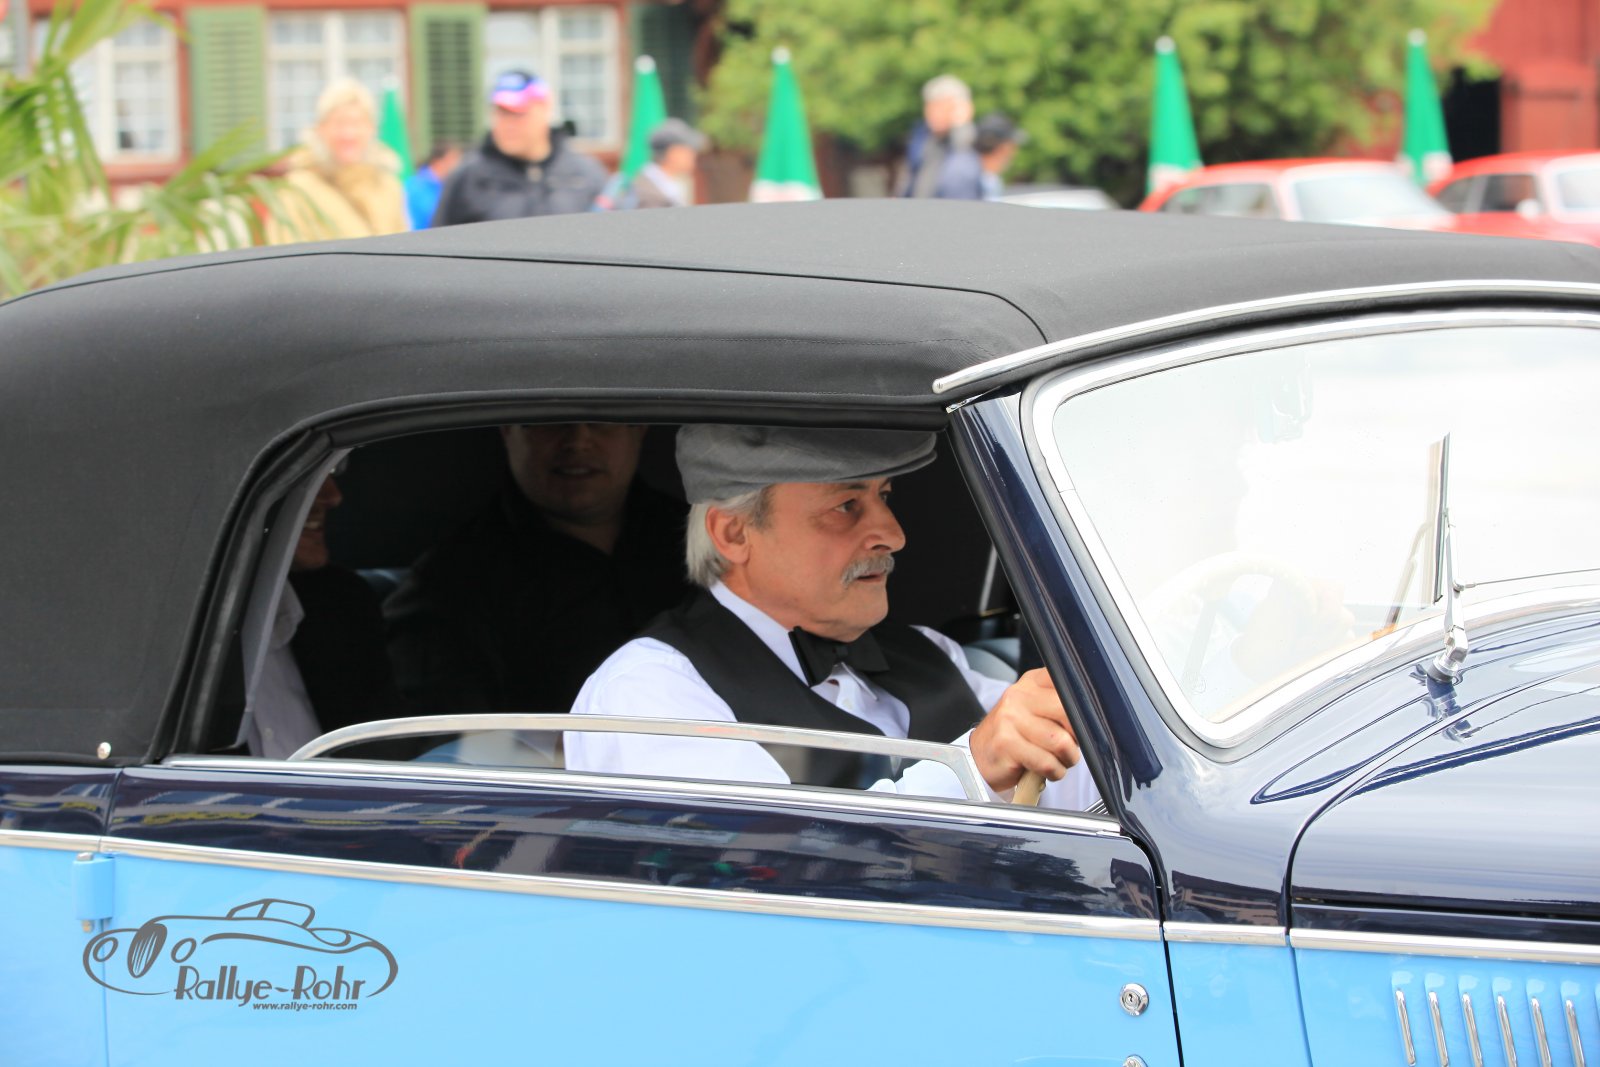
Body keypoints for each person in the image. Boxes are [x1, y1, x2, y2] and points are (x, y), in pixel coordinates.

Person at [566, 425, 1099, 809]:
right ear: (733, 533)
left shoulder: (929, 652)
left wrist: (1085, 725)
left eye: (884, 496)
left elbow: (1080, 794)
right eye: (846, 505)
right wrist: (971, 770)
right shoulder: (649, 693)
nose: (893, 535)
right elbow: (768, 872)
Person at [385, 423, 692, 715]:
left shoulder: (702, 541)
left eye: (602, 419)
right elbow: (461, 740)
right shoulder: (449, 586)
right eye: (552, 420)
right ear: (508, 430)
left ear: (639, 430)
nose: (578, 441)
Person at [246, 473, 402, 758]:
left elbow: (386, 758)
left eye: (332, 471)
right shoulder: (164, 630)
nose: (333, 496)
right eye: (304, 471)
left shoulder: (344, 602)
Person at [431, 70, 608, 226]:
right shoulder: (467, 177)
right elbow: (439, 243)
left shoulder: (585, 175)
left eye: (518, 113)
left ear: (545, 109)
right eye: (501, 113)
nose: (508, 124)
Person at [267, 78, 409, 244]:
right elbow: (285, 251)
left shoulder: (388, 186)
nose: (348, 134)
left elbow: (404, 246)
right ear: (320, 129)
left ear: (371, 129)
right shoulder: (297, 190)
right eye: (339, 123)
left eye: (357, 123)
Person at [900, 74, 975, 199]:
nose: (932, 113)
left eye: (940, 107)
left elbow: (963, 150)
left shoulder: (966, 140)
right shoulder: (922, 137)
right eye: (929, 106)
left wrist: (961, 122)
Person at [936, 112, 1027, 201]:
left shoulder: (974, 168)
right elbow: (961, 210)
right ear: (1002, 148)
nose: (1014, 153)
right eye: (1012, 146)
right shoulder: (964, 173)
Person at [619, 119, 706, 209]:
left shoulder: (662, 187)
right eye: (688, 148)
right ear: (673, 153)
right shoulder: (646, 195)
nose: (693, 154)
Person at [404, 142, 462, 230]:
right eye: (452, 161)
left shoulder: (448, 186)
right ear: (438, 162)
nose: (457, 166)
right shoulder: (414, 186)